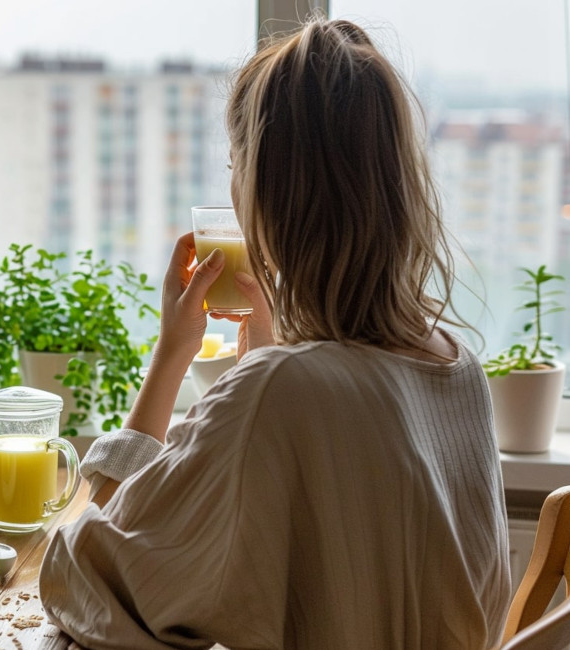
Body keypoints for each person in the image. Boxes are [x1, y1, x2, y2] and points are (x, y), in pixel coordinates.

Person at [38, 15, 511, 650]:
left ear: (267, 190)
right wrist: (271, 356)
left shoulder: (281, 392)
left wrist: (171, 354)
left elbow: (85, 576)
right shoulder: (459, 367)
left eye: (237, 163)